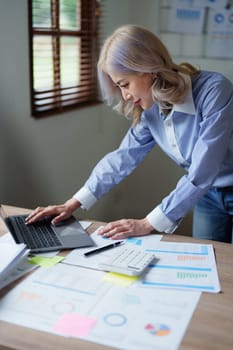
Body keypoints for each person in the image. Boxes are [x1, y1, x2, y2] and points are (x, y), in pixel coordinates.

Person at [26, 25, 233, 243]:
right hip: (208, 196)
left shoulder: (214, 91)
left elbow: (203, 168)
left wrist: (147, 223)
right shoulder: (151, 108)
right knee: (215, 263)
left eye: (125, 84)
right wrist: (72, 203)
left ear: (149, 68)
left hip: (208, 183)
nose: (124, 96)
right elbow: (122, 157)